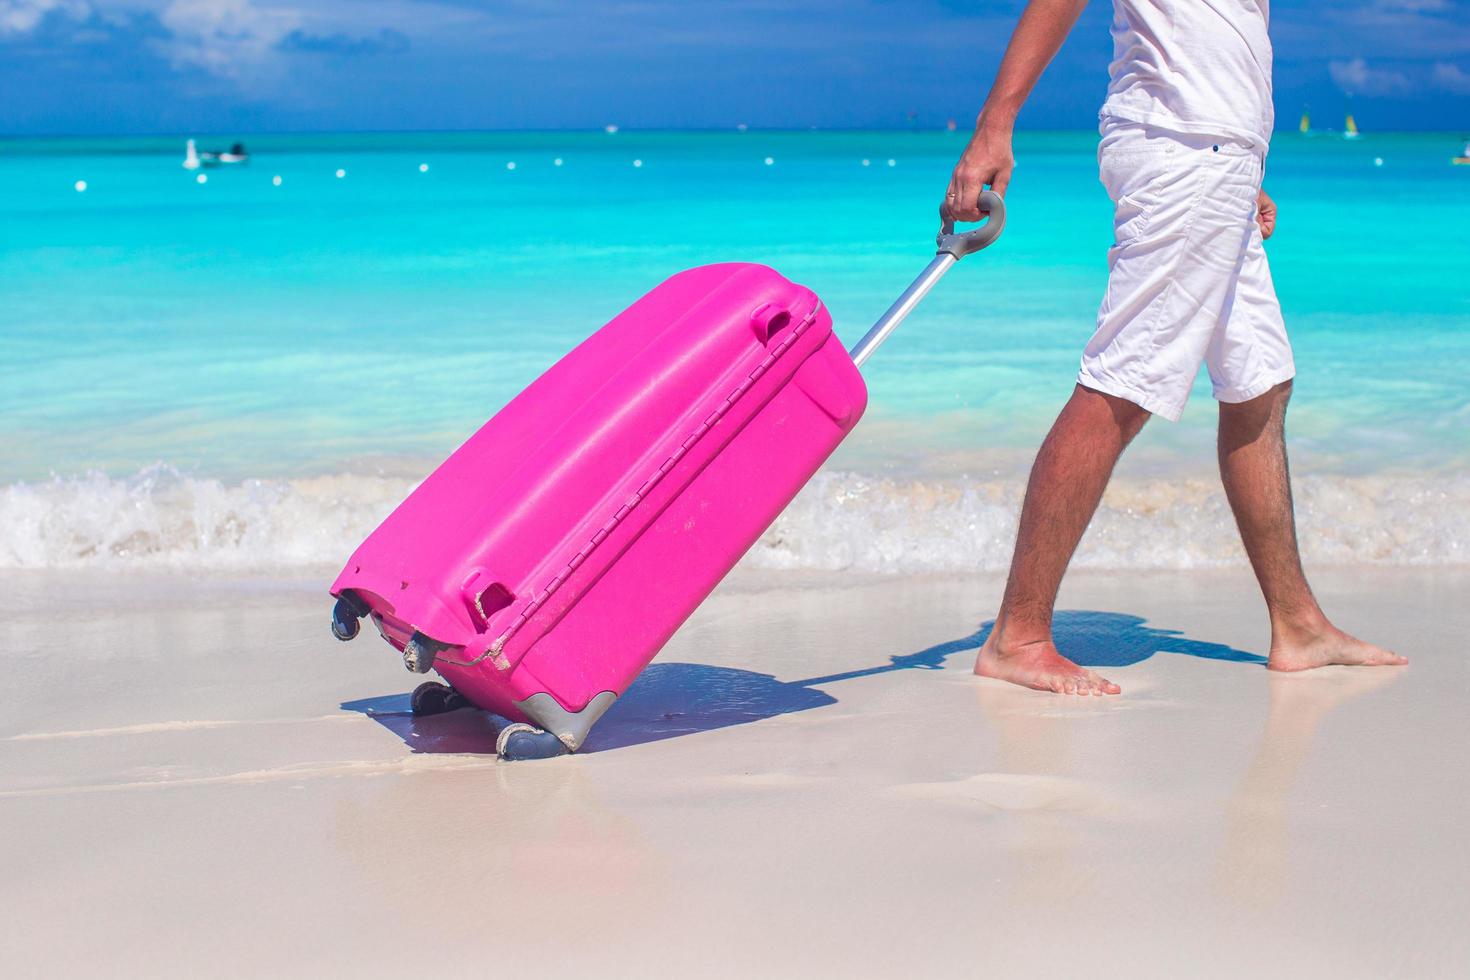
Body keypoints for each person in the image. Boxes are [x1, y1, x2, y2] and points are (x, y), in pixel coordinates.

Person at [942, 0, 1406, 695]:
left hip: (1219, 161)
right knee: (1122, 386)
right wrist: (993, 128)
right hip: (1188, 152)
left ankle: (1299, 624)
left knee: (1259, 384)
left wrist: (1241, 171)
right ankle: (1019, 635)